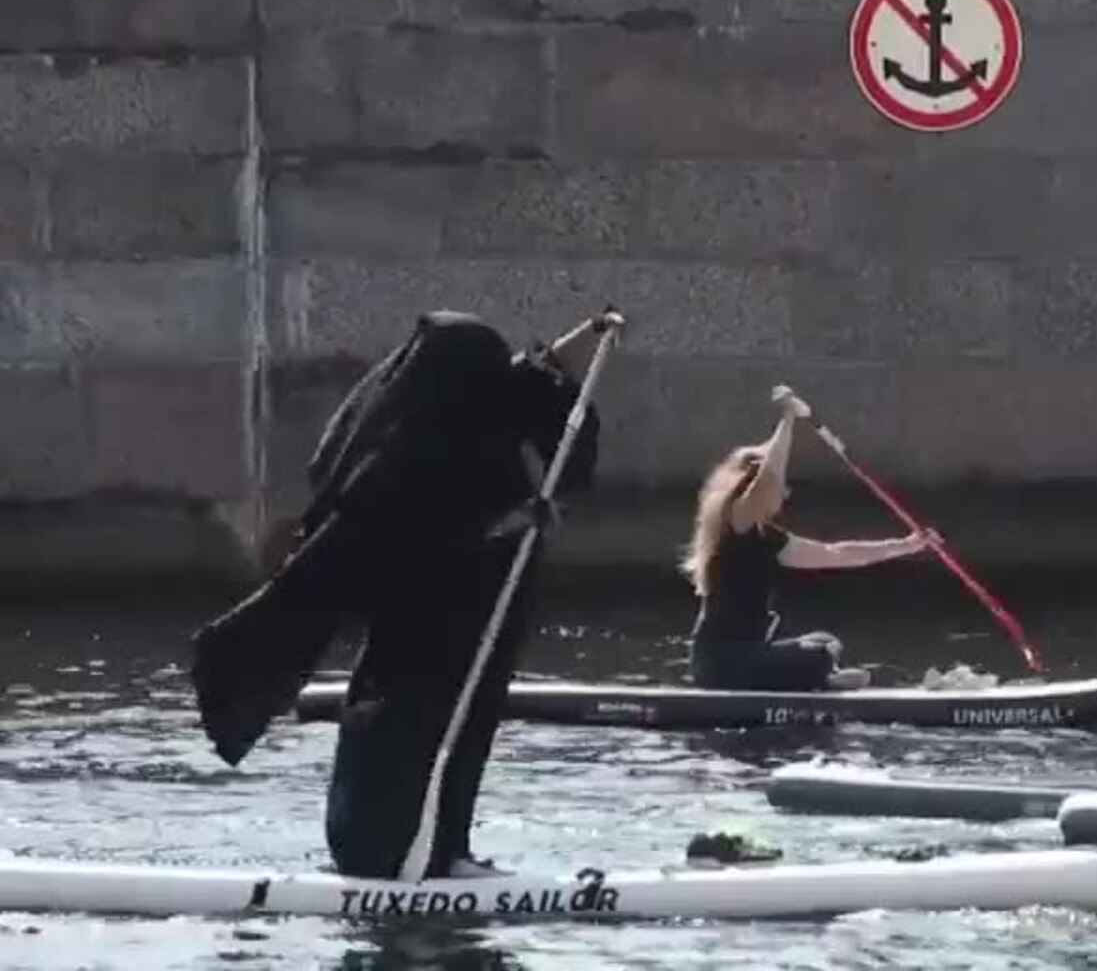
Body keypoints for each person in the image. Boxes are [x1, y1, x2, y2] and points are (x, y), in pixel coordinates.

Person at [188, 308, 619, 879]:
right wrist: (518, 520)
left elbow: (535, 374)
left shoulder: (467, 413)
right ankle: (411, 852)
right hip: (423, 651)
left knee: (466, 737)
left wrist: (594, 331)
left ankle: (449, 848)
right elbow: (434, 540)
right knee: (422, 740)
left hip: (470, 638)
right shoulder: (401, 461)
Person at [681, 386, 938, 692]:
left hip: (748, 657)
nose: (786, 492)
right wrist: (788, 418)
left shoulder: (767, 537)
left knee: (825, 642)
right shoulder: (734, 522)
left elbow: (838, 554)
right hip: (722, 666)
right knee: (818, 654)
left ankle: (823, 679)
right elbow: (768, 476)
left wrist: (907, 545)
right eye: (782, 486)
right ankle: (826, 682)